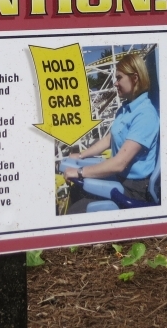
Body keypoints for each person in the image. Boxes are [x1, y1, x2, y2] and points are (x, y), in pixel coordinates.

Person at [61, 52, 159, 213]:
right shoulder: (125, 109)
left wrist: (80, 172)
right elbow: (110, 138)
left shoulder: (145, 114)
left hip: (134, 188)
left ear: (135, 78)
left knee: (78, 209)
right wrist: (81, 155)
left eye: (119, 78)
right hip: (121, 178)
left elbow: (119, 163)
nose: (115, 83)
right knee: (77, 191)